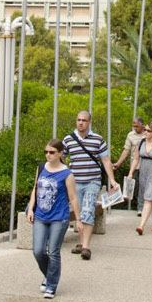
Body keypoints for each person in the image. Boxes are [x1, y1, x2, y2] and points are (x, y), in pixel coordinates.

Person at [60, 109, 115, 261]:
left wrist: (112, 180)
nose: (81, 123)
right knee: (79, 213)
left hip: (93, 181)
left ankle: (86, 247)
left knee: (88, 209)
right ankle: (81, 242)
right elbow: (61, 158)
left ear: (89, 122)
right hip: (75, 182)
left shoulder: (98, 139)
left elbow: (105, 160)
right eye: (78, 120)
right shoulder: (68, 140)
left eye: (84, 120)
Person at [28, 139, 72, 298]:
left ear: (60, 154)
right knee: (38, 251)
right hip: (40, 215)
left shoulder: (66, 173)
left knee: (53, 251)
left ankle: (51, 285)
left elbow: (73, 198)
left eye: (52, 152)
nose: (48, 155)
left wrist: (79, 220)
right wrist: (31, 208)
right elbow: (35, 189)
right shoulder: (41, 168)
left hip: (59, 218)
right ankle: (49, 275)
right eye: (46, 152)